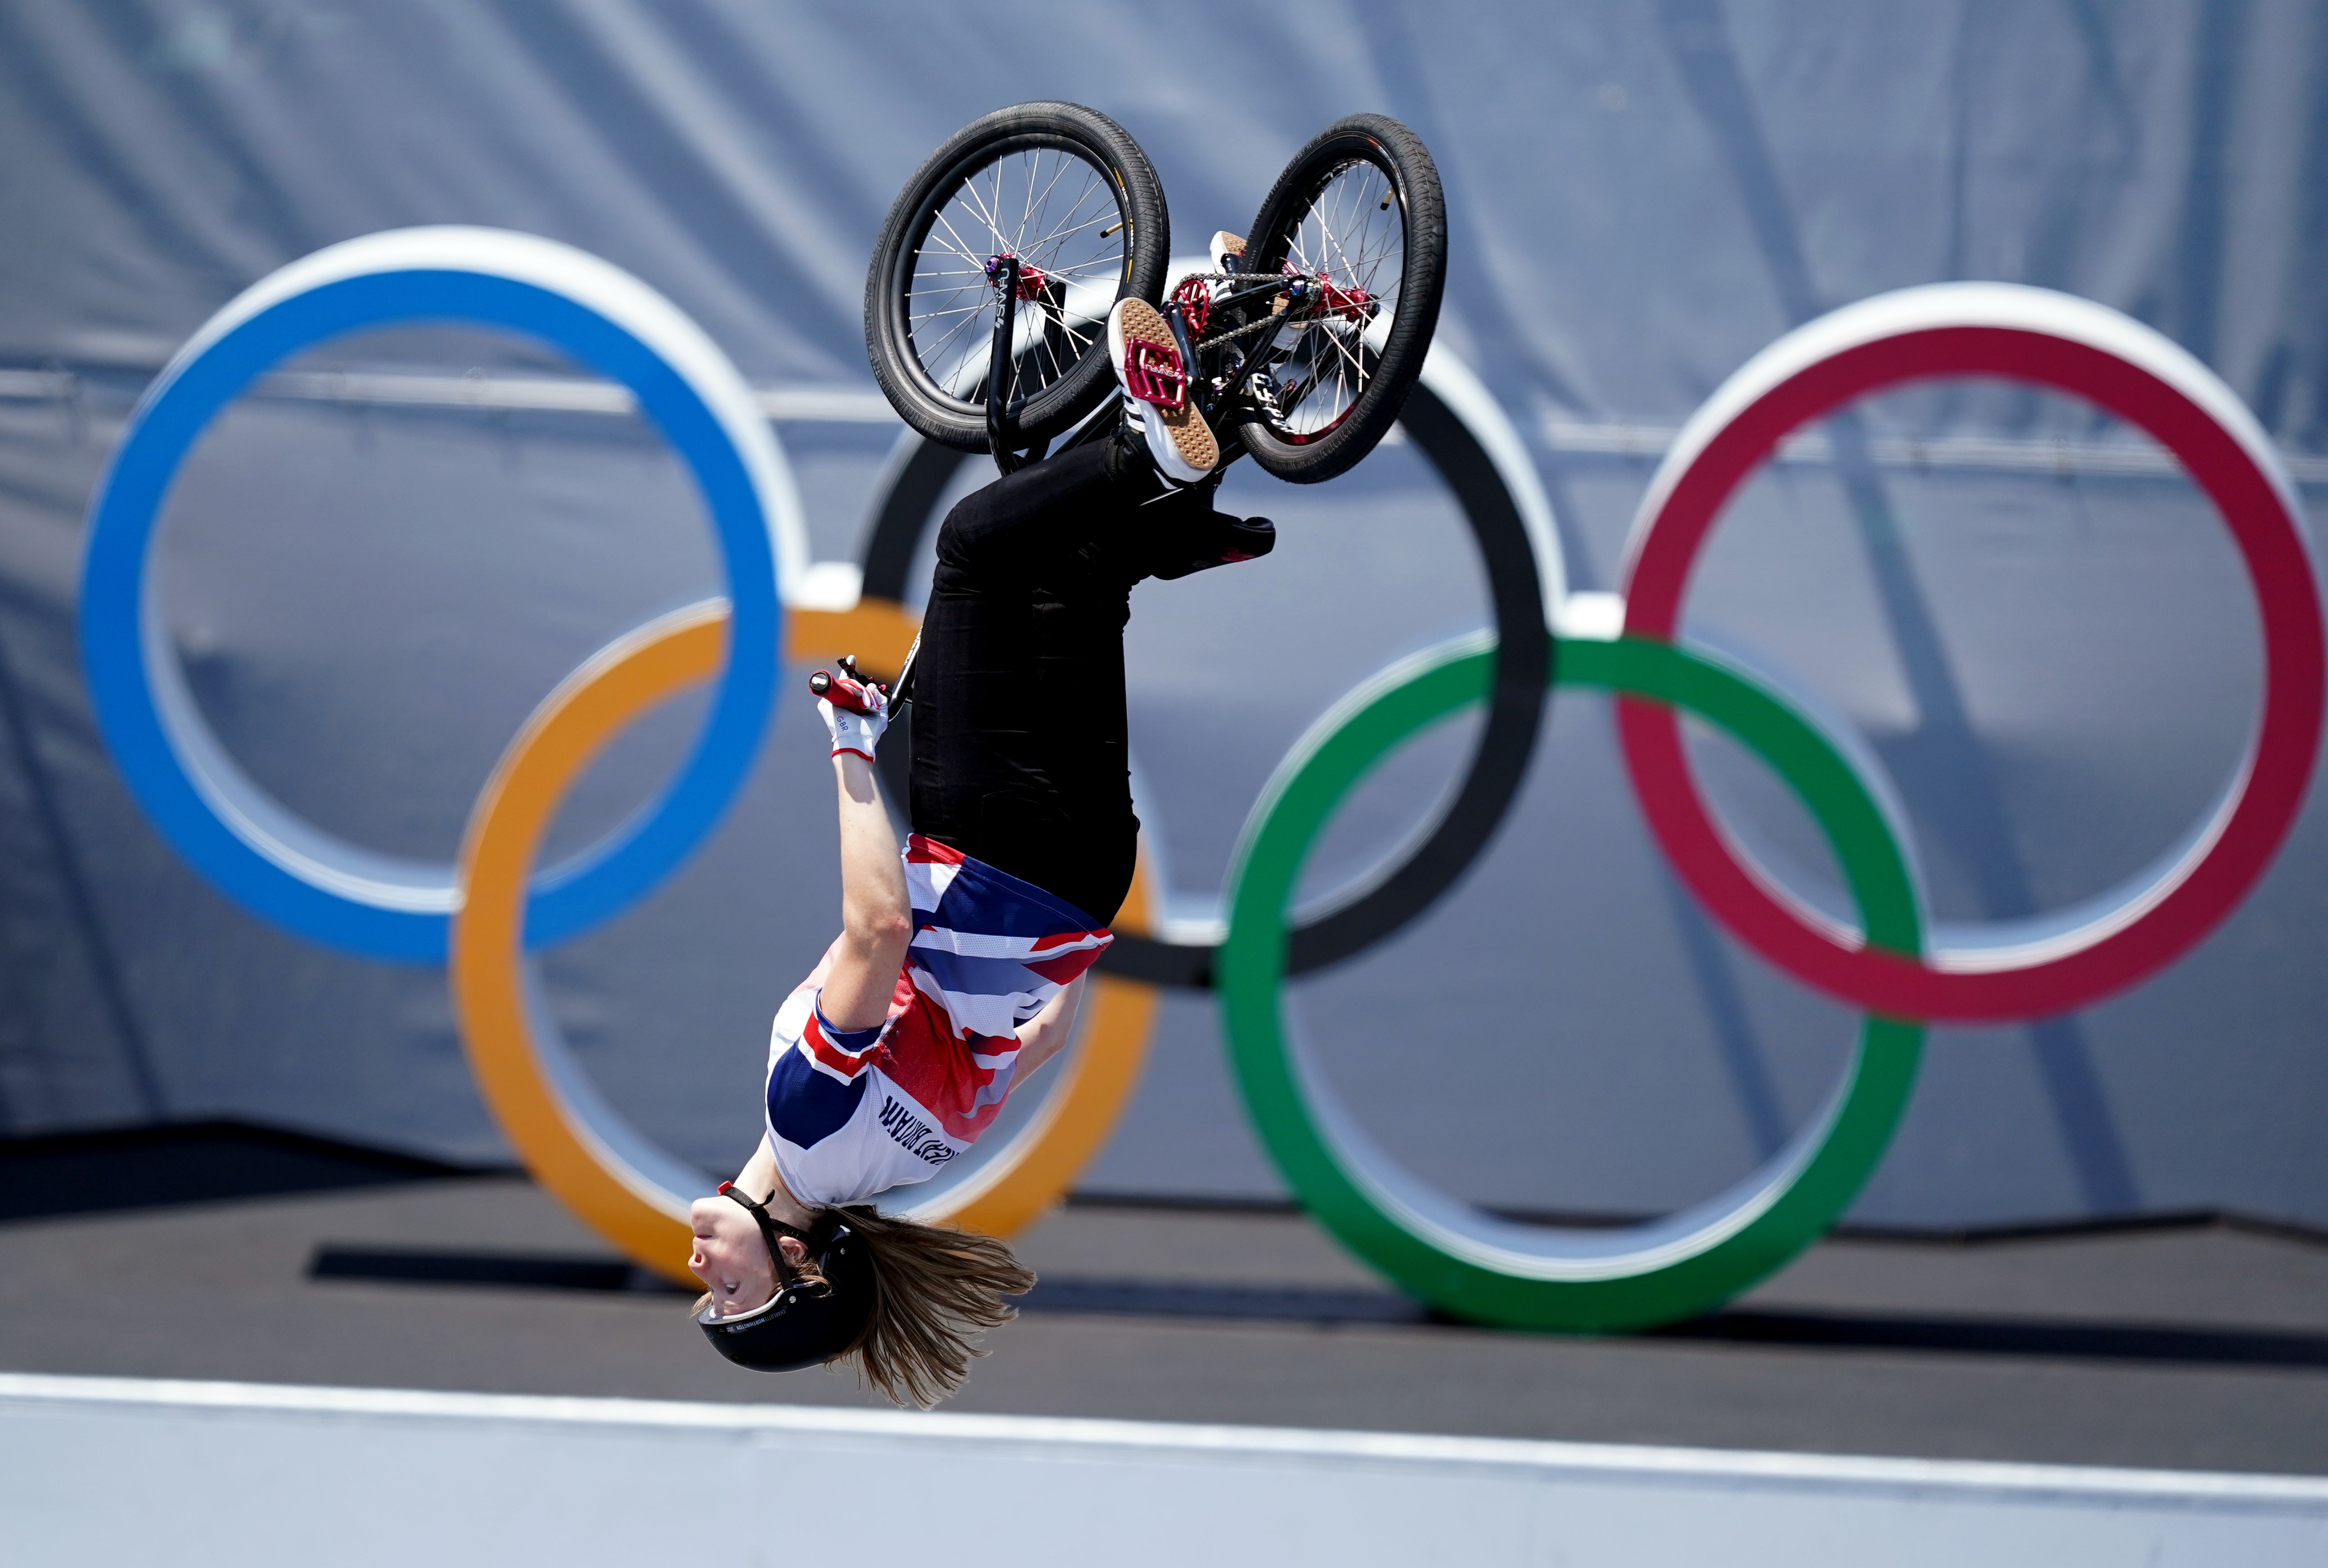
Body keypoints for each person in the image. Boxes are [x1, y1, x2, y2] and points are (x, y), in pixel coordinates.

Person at [691, 291, 1274, 1406]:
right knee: (973, 550)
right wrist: (853, 750)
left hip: (1085, 878)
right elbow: (879, 927)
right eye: (732, 1295)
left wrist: (1036, 945)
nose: (700, 1274)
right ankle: (1151, 448)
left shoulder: (918, 1160)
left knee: (1071, 580)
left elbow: (1042, 1034)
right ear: (799, 1265)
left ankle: (1217, 444)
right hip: (994, 851)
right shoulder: (806, 1123)